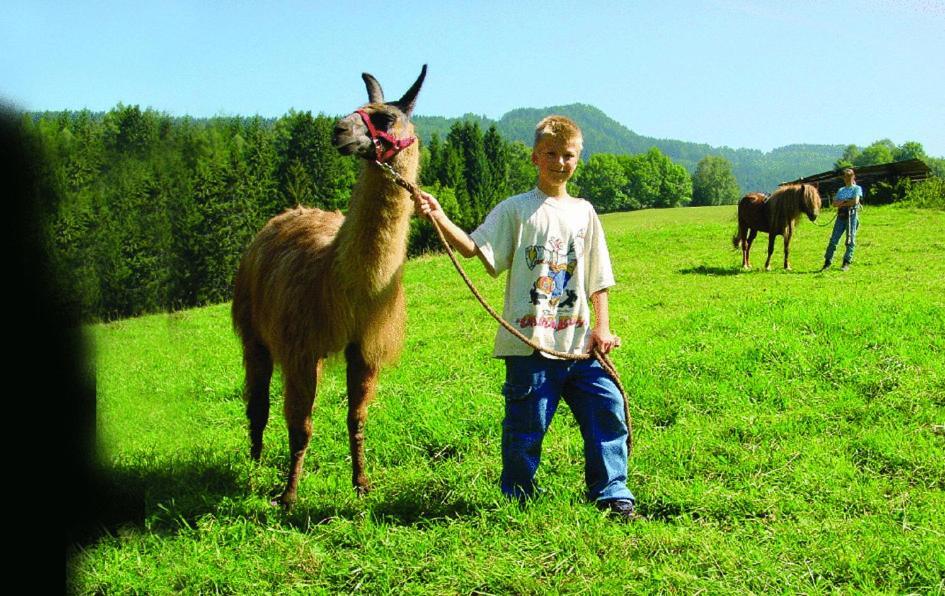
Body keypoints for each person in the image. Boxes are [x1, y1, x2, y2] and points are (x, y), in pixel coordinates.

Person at [413, 116, 635, 519]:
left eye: (569, 155)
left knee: (607, 410)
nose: (560, 162)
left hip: (581, 347)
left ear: (578, 159)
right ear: (535, 157)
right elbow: (472, 249)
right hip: (529, 345)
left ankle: (611, 492)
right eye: (551, 154)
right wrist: (438, 215)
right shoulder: (515, 210)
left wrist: (602, 328)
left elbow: (598, 278)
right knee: (525, 427)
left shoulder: (585, 212)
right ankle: (517, 497)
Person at [822, 168, 862, 271]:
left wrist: (842, 202)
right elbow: (834, 203)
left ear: (853, 177)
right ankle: (827, 262)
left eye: (849, 176)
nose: (847, 178)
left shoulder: (856, 188)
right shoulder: (841, 190)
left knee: (850, 239)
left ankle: (846, 262)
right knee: (833, 240)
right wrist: (847, 201)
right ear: (844, 178)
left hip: (851, 216)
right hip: (841, 216)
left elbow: (855, 202)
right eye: (846, 176)